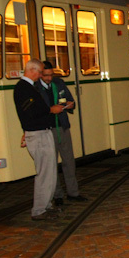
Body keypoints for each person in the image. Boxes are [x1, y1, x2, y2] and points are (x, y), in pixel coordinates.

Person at [13, 59, 65, 220]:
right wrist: (51, 110)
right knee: (44, 173)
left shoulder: (27, 87)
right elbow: (31, 112)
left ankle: (46, 205)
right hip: (38, 134)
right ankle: (39, 210)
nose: (41, 75)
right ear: (33, 70)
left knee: (49, 172)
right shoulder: (24, 88)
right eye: (41, 72)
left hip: (40, 132)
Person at [39, 61, 88, 206]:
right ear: (40, 74)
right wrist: (49, 110)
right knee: (51, 164)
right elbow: (37, 110)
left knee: (69, 161)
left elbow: (70, 99)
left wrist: (70, 104)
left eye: (50, 75)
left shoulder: (58, 83)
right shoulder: (36, 88)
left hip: (62, 126)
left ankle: (73, 192)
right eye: (46, 75)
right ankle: (57, 194)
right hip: (47, 129)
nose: (49, 78)